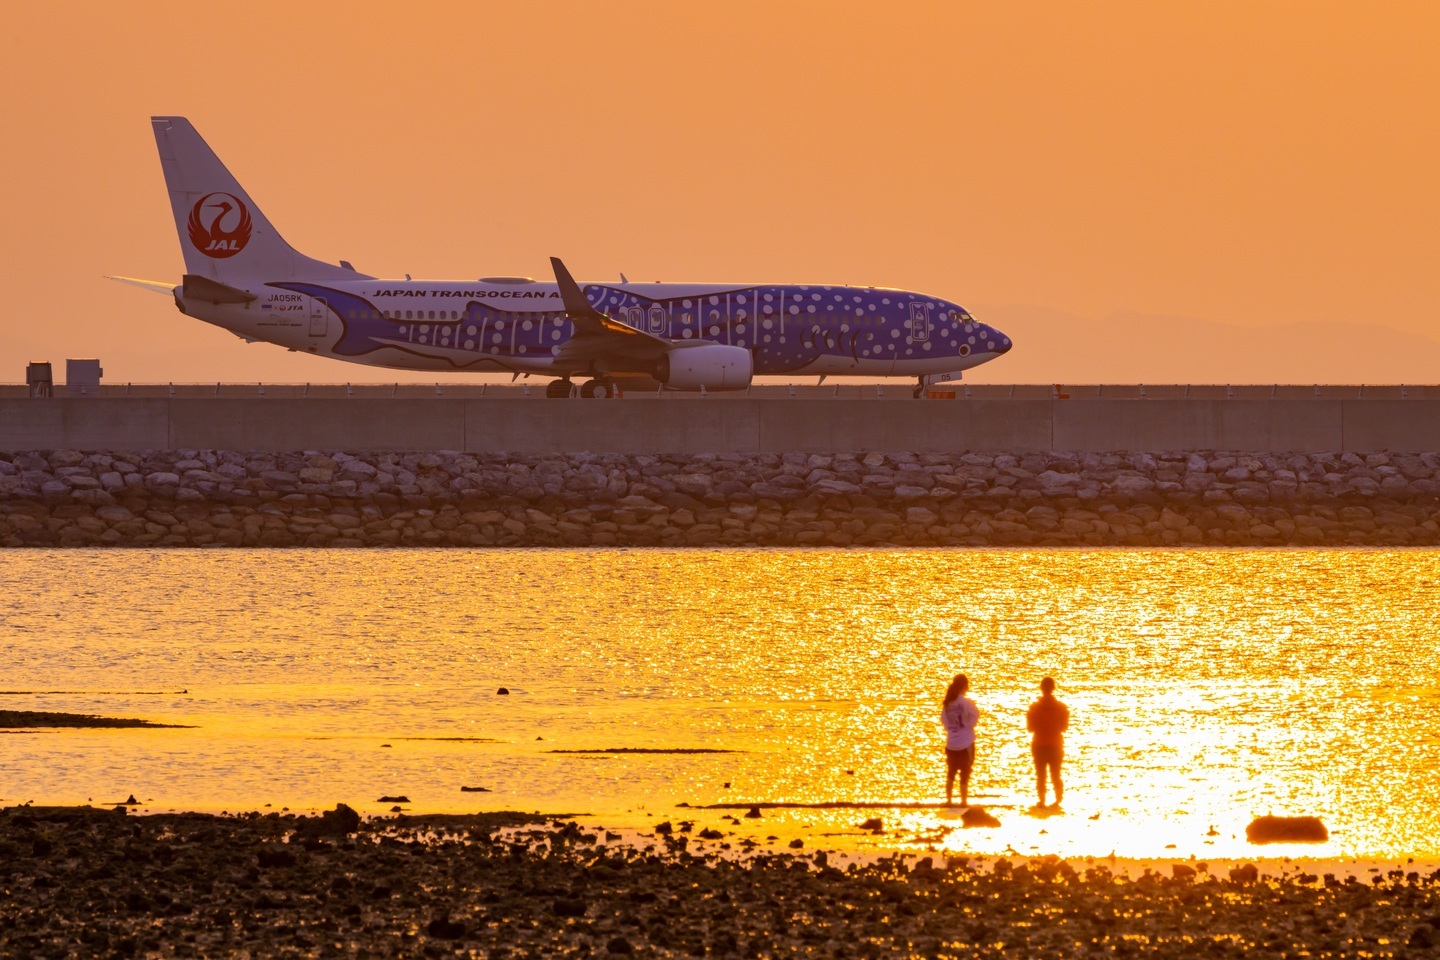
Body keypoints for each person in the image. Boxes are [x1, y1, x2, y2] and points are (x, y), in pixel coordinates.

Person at [1027, 676, 1070, 808]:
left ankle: (1042, 800)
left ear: (1041, 688)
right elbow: (1064, 728)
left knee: (1041, 775)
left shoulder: (1034, 708)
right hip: (1056, 744)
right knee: (1056, 773)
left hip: (1039, 744)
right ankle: (1058, 800)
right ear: (1053, 688)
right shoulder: (1062, 708)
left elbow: (1030, 728)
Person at [940, 674, 979, 806]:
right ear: (964, 686)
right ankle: (963, 801)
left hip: (951, 743)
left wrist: (953, 729)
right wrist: (967, 725)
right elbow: (975, 715)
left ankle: (949, 800)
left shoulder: (947, 703)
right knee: (965, 771)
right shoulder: (965, 702)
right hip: (965, 742)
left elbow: (944, 722)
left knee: (951, 772)